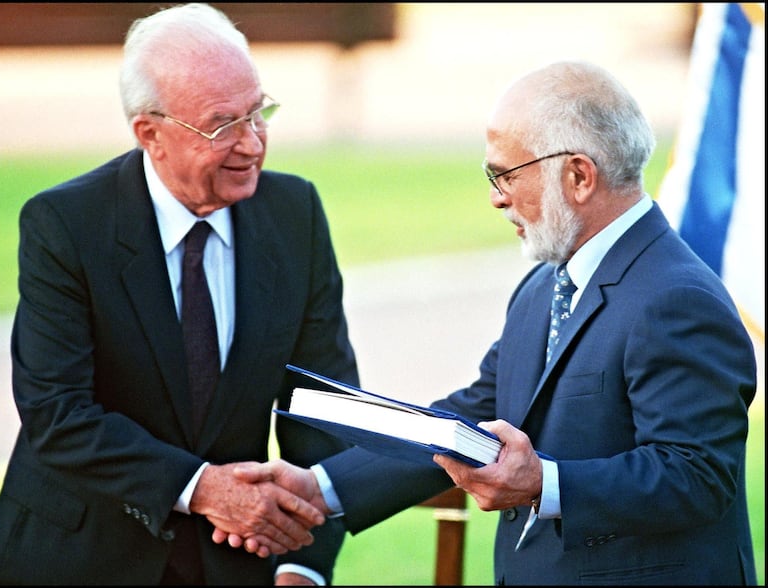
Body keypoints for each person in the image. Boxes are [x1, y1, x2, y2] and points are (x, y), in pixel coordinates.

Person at [230, 61, 758, 585]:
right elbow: (472, 418)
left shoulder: (678, 298)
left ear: (578, 176)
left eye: (505, 174)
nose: (496, 196)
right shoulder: (542, 287)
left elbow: (698, 477)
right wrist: (319, 487)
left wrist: (543, 483)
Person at [0, 3, 358, 585]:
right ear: (150, 134)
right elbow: (58, 413)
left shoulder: (294, 214)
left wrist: (304, 565)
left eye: (259, 114)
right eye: (222, 124)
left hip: (232, 566)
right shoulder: (67, 224)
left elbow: (324, 404)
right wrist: (204, 489)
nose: (252, 144)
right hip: (74, 558)